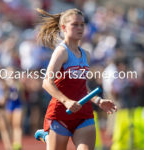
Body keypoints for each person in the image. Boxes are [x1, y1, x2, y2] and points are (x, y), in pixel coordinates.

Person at [36, 8, 117, 150]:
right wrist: (66, 101)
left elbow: (82, 87)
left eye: (82, 24)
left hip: (83, 114)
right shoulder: (61, 52)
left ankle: (48, 136)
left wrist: (98, 101)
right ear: (64, 27)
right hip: (61, 113)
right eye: (75, 24)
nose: (80, 28)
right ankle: (47, 136)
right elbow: (46, 83)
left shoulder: (86, 54)